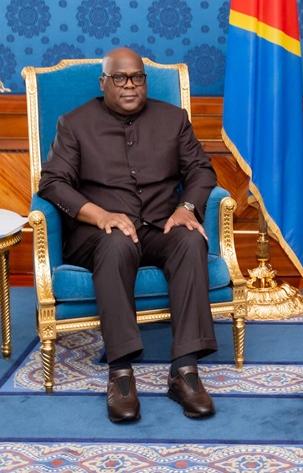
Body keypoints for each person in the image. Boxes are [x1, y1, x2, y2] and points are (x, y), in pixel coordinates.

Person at [38, 47, 218, 423]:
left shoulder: (173, 119)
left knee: (189, 239)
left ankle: (184, 371)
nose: (130, 85)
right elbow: (52, 183)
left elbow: (201, 171)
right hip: (100, 234)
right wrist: (99, 215)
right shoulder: (75, 124)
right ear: (103, 82)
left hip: (159, 226)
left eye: (137, 77)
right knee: (116, 243)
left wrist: (186, 208)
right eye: (119, 78)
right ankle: (120, 373)